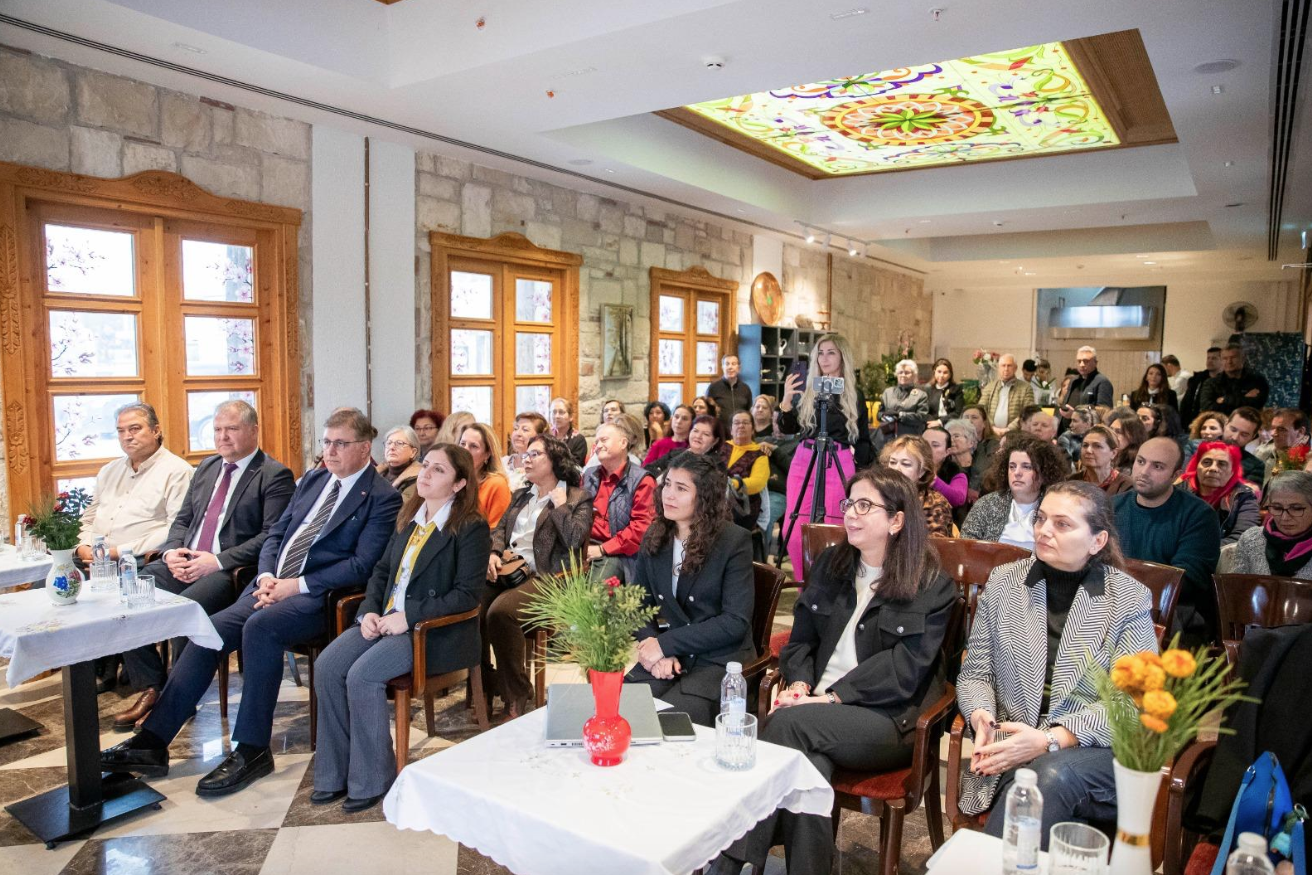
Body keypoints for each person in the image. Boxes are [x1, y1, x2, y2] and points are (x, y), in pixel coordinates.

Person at [100, 408, 403, 796]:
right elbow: (276, 535)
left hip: (319, 599)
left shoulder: (381, 497)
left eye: (340, 444)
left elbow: (362, 564)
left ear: (364, 448)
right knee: (208, 630)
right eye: (326, 442)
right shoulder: (314, 480)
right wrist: (266, 576)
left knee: (259, 628)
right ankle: (153, 741)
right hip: (270, 586)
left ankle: (252, 749)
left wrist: (294, 586)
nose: (330, 451)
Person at [711, 466, 957, 875]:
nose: (851, 513)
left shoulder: (929, 582)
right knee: (809, 770)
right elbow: (801, 639)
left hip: (885, 720)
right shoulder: (833, 564)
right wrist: (800, 683)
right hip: (815, 709)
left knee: (785, 726)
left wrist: (828, 698)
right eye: (849, 503)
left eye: (865, 505)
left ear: (896, 520)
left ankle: (729, 861)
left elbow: (905, 669)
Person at [956, 480, 1157, 847]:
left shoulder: (1128, 599)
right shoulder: (1005, 581)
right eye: (1041, 518)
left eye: (1062, 524)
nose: (1044, 530)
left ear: (1097, 541)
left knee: (1046, 777)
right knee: (1037, 783)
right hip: (1011, 744)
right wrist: (981, 716)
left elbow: (1132, 704)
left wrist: (1050, 740)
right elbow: (976, 672)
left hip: (1095, 751)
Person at [311, 443, 488, 812]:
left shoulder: (470, 527)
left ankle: (373, 779)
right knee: (327, 665)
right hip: (386, 620)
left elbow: (467, 595)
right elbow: (380, 573)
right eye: (426, 465)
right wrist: (368, 612)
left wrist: (408, 616)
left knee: (362, 675)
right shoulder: (410, 517)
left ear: (459, 484)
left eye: (439, 470)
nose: (426, 474)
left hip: (430, 630)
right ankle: (334, 773)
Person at [116, 401, 295, 731]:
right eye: (217, 430)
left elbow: (273, 536)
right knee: (129, 591)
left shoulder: (273, 475)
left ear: (254, 430)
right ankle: (153, 687)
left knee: (185, 607)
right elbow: (182, 520)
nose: (222, 437)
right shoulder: (207, 467)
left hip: (229, 571)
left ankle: (178, 701)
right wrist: (171, 552)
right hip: (185, 560)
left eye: (232, 429)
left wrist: (217, 560)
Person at [625, 453, 754, 727]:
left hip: (717, 660)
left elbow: (734, 622)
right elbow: (636, 604)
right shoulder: (656, 535)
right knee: (623, 709)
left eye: (681, 488)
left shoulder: (733, 541)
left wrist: (665, 644)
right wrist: (655, 649)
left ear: (704, 497)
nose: (668, 495)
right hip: (673, 655)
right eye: (667, 484)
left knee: (667, 724)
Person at [483, 435, 592, 717]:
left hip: (548, 578)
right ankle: (486, 682)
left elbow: (574, 540)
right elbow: (500, 529)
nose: (527, 459)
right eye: (526, 455)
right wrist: (494, 552)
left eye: (535, 454)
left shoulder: (577, 497)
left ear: (554, 460)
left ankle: (517, 691)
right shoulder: (521, 494)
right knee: (473, 605)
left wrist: (561, 507)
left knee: (500, 612)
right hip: (510, 570)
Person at [777, 333, 873, 581]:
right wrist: (786, 401)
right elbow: (789, 428)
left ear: (842, 357)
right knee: (794, 529)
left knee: (836, 526)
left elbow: (863, 439)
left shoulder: (853, 394)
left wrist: (864, 476)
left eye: (831, 352)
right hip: (805, 458)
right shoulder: (809, 390)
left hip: (838, 459)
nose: (824, 358)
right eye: (820, 353)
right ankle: (804, 586)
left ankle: (831, 586)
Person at [1113, 437, 1222, 645]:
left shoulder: (1199, 515)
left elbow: (1187, 579)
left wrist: (1123, 581)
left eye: (1157, 466)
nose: (1144, 471)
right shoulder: (1112, 507)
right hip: (1113, 606)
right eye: (1141, 461)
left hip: (1173, 615)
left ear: (1176, 475)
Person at [75, 402, 194, 563]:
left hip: (139, 560)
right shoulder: (108, 470)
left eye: (135, 429)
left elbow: (176, 528)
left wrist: (116, 553)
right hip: (92, 559)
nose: (127, 436)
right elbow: (88, 520)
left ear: (156, 431)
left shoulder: (177, 471)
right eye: (121, 431)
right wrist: (84, 547)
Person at [961, 434, 1067, 550]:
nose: (1017, 473)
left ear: (1044, 472)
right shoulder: (987, 504)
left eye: (1026, 467)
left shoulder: (1055, 508)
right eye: (1012, 466)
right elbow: (965, 545)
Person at [583, 418, 656, 582]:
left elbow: (641, 528)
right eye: (596, 442)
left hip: (618, 552)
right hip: (585, 545)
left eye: (604, 440)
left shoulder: (642, 480)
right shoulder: (589, 475)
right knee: (553, 583)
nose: (598, 445)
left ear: (623, 443)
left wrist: (603, 548)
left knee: (592, 593)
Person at [1231, 470, 1312, 577]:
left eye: (1296, 509)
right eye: (1277, 508)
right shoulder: (1251, 539)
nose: (1285, 517)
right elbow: (1237, 585)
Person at [1179, 442, 1260, 545]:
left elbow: (1242, 538)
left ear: (1232, 471)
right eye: (1207, 462)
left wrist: (1198, 549)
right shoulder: (1178, 490)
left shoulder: (1244, 496)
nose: (1213, 468)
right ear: (1197, 466)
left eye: (1222, 464)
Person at [881, 436, 954, 537]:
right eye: (892, 462)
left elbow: (934, 545)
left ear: (922, 471)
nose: (896, 469)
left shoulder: (935, 503)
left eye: (906, 464)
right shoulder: (879, 496)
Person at [457, 423, 513, 527]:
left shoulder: (496, 484)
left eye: (473, 446)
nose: (465, 450)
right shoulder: (452, 480)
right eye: (462, 444)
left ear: (487, 454)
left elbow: (497, 530)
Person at [726, 411, 769, 532]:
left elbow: (758, 482)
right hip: (714, 501)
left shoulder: (759, 454)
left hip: (742, 507)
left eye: (745, 423)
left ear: (753, 429)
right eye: (736, 423)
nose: (741, 425)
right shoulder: (720, 447)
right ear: (731, 430)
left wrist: (732, 484)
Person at [1200, 343, 1269, 414]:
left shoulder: (1257, 381)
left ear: (1243, 359)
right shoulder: (1211, 383)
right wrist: (1243, 398)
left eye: (1233, 357)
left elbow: (1256, 405)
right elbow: (1207, 408)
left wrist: (1224, 399)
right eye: (1225, 358)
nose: (1229, 362)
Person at [1069, 425, 1131, 496]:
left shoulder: (1126, 486)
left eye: (1097, 446)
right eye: (1085, 445)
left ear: (1113, 453)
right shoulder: (1071, 482)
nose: (1088, 450)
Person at [978, 354, 1034, 432]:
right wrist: (992, 428)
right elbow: (980, 409)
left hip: (1015, 434)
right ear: (998, 368)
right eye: (1003, 365)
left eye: (1009, 366)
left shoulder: (1026, 388)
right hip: (991, 433)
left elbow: (1028, 412)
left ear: (1015, 368)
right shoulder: (989, 387)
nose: (1006, 369)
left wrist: (1009, 429)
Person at [879, 358, 929, 439]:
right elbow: (879, 413)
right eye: (900, 372)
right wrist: (884, 416)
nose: (903, 375)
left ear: (914, 375)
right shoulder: (888, 392)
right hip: (888, 436)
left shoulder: (921, 395)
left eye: (907, 373)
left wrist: (900, 415)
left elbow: (922, 417)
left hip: (910, 437)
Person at [502, 412, 550, 491]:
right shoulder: (502, 462)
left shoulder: (541, 469)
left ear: (540, 437)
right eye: (516, 429)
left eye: (525, 430)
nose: (518, 433)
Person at [924, 425, 968, 508]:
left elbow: (958, 499)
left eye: (935, 445)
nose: (927, 448)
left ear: (947, 452)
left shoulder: (956, 472)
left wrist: (933, 480)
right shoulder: (909, 466)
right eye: (924, 443)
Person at [1058, 346, 1114, 411]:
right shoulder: (1074, 381)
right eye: (1079, 361)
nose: (1082, 365)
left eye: (1086, 361)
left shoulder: (1102, 382)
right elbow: (1065, 405)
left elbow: (1104, 412)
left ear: (1095, 363)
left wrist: (1075, 413)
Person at [707, 354, 753, 433]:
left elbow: (749, 412)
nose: (730, 367)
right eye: (727, 364)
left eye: (733, 364)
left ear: (739, 368)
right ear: (722, 367)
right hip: (720, 432)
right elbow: (708, 413)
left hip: (740, 431)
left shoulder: (746, 388)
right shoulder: (713, 388)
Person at [1222, 406, 1267, 484]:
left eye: (1244, 434)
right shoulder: (1200, 447)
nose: (1235, 437)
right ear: (1225, 424)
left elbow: (1249, 491)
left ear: (1253, 437)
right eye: (1233, 429)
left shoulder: (1255, 466)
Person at [376, 426, 422, 502]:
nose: (391, 447)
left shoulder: (417, 479)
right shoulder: (376, 473)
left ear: (413, 452)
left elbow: (399, 506)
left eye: (399, 443)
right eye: (389, 443)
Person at [1265, 407, 1310, 482]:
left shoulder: (1309, 458)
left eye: (1281, 429)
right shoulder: (1262, 450)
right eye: (1272, 428)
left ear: (1300, 432)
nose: (1273, 434)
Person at [1180, 347, 1222, 423]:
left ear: (1222, 360)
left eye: (1214, 358)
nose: (1210, 361)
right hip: (1194, 420)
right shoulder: (1197, 380)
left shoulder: (1225, 381)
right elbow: (1186, 402)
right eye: (1208, 358)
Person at [549, 397, 588, 468]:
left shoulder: (578, 439)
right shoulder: (546, 436)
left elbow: (575, 466)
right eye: (554, 412)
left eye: (561, 412)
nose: (557, 416)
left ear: (571, 417)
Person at [924, 357, 964, 427]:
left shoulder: (956, 389)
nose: (941, 375)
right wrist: (932, 422)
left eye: (945, 372)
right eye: (939, 372)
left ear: (950, 374)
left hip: (950, 423)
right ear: (934, 371)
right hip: (931, 423)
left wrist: (940, 422)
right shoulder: (928, 389)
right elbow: (925, 410)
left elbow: (958, 412)